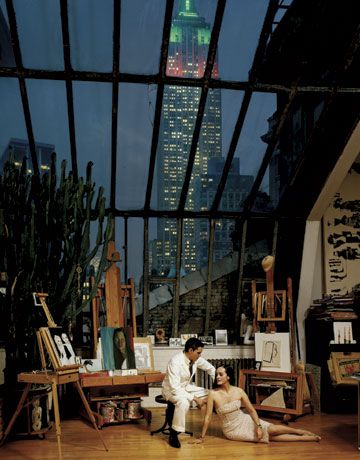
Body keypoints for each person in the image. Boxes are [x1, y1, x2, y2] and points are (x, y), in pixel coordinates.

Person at [195, 366, 321, 444]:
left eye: (220, 374)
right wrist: (202, 437)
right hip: (232, 430)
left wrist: (258, 426)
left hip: (245, 420)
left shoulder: (239, 391)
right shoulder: (213, 394)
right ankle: (306, 438)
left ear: (228, 377)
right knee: (270, 437)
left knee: (270, 430)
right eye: (216, 374)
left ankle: (299, 432)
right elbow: (208, 417)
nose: (217, 377)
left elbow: (251, 410)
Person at [162, 337, 215, 448]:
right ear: (191, 350)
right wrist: (195, 398)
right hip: (171, 390)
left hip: (186, 387)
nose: (200, 355)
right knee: (183, 402)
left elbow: (210, 368)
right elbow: (175, 389)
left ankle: (206, 422)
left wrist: (218, 383)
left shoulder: (195, 359)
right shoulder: (175, 362)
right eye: (198, 353)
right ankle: (173, 433)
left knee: (211, 394)